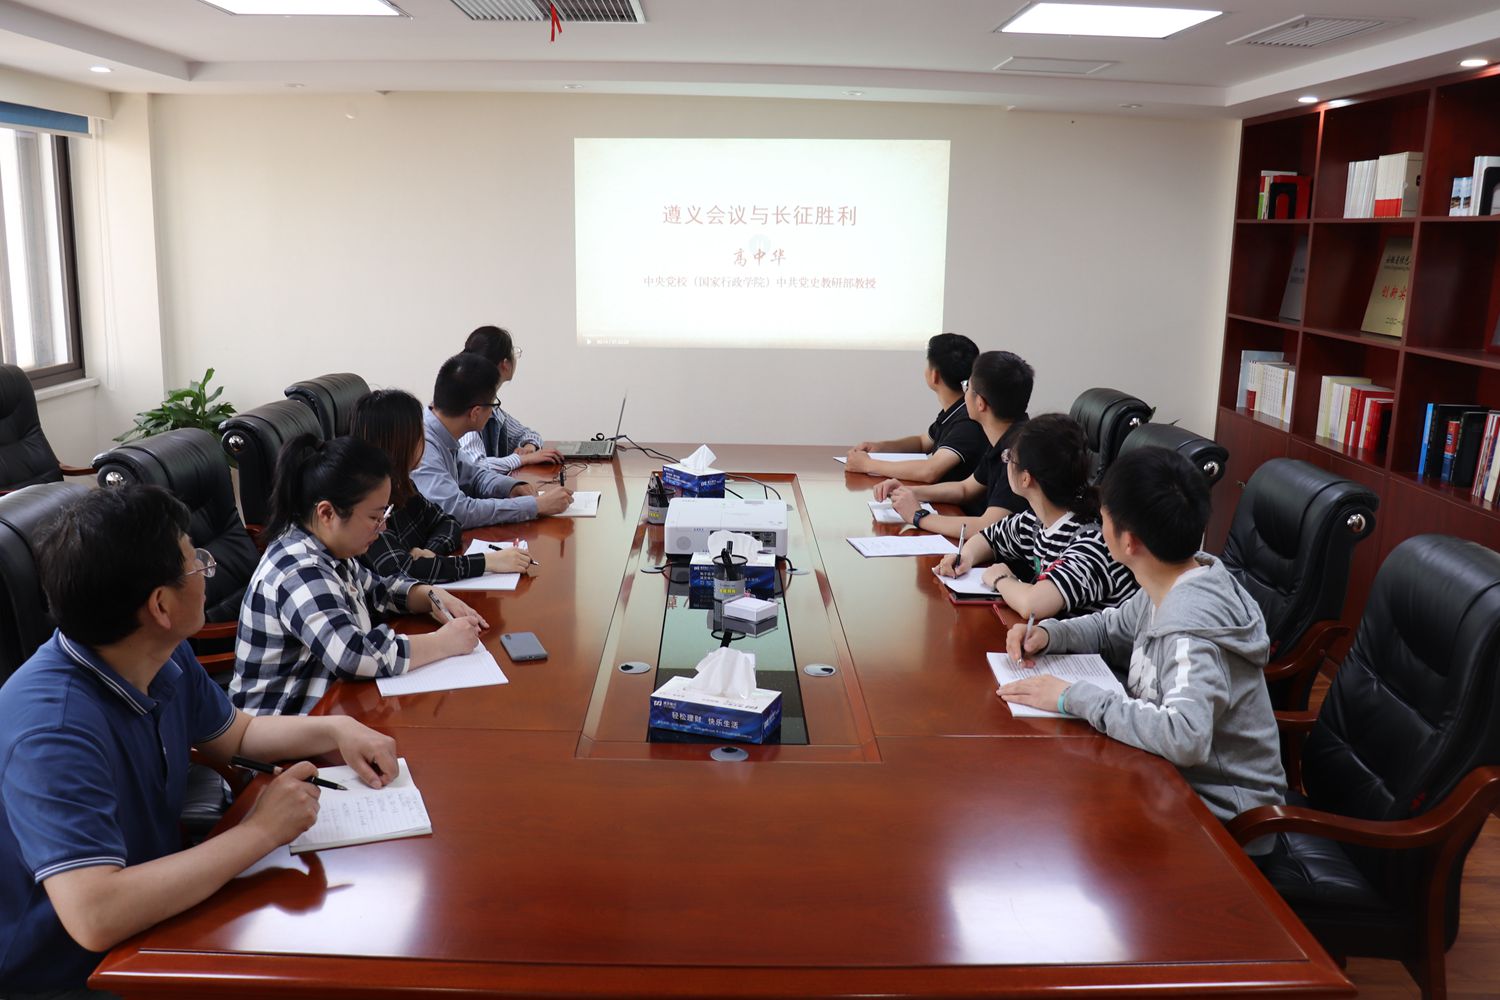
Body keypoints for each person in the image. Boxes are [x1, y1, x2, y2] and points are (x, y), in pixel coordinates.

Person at [0, 485, 400, 997]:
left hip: (159, 913)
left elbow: (237, 734)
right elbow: (95, 915)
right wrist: (260, 831)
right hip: (67, 972)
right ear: (161, 605)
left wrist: (335, 729)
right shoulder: (51, 729)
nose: (207, 571)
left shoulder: (159, 653)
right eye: (196, 564)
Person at [995, 446, 1286, 846]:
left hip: (1221, 821)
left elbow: (1185, 736)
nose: (1099, 528)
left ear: (1129, 541)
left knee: (1050, 824)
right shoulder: (1170, 578)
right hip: (1165, 780)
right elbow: (1110, 627)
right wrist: (1049, 635)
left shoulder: (1192, 629)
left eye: (1103, 520)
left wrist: (1071, 697)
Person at [232, 434, 487, 716]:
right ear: (327, 513)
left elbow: (378, 590)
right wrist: (442, 643)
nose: (382, 528)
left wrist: (428, 594)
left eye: (385, 515)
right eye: (375, 517)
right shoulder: (299, 570)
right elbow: (352, 654)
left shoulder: (328, 548)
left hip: (330, 707)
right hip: (283, 725)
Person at [936, 413, 1137, 619]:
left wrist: (1001, 579)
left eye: (1009, 458)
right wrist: (966, 557)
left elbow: (1033, 605)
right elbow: (990, 537)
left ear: (1026, 478)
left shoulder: (1092, 543)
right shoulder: (1036, 521)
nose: (1006, 463)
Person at [350, 388, 532, 584]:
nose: (424, 442)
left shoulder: (402, 485)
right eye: (419, 435)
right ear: (401, 444)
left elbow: (448, 522)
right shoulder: (367, 506)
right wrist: (487, 562)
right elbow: (402, 571)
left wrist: (430, 552)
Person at [872, 350, 1033, 539]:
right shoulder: (1008, 436)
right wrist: (907, 492)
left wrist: (918, 516)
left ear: (980, 403)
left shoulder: (1018, 454)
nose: (964, 393)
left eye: (967, 387)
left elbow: (987, 528)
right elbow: (965, 489)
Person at [411, 352, 573, 528]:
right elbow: (457, 512)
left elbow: (475, 476)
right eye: (493, 405)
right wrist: (535, 506)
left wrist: (511, 486)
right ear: (475, 412)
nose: (493, 412)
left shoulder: (443, 431)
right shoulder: (422, 446)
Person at [844, 333, 987, 484]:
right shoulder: (956, 409)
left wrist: (868, 464)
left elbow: (930, 471)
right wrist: (880, 447)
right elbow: (922, 443)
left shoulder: (968, 420)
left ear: (934, 375)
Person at [458, 325, 563, 475]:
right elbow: (476, 466)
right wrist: (523, 459)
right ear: (505, 364)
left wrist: (528, 447)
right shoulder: (467, 405)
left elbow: (527, 433)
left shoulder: (491, 406)